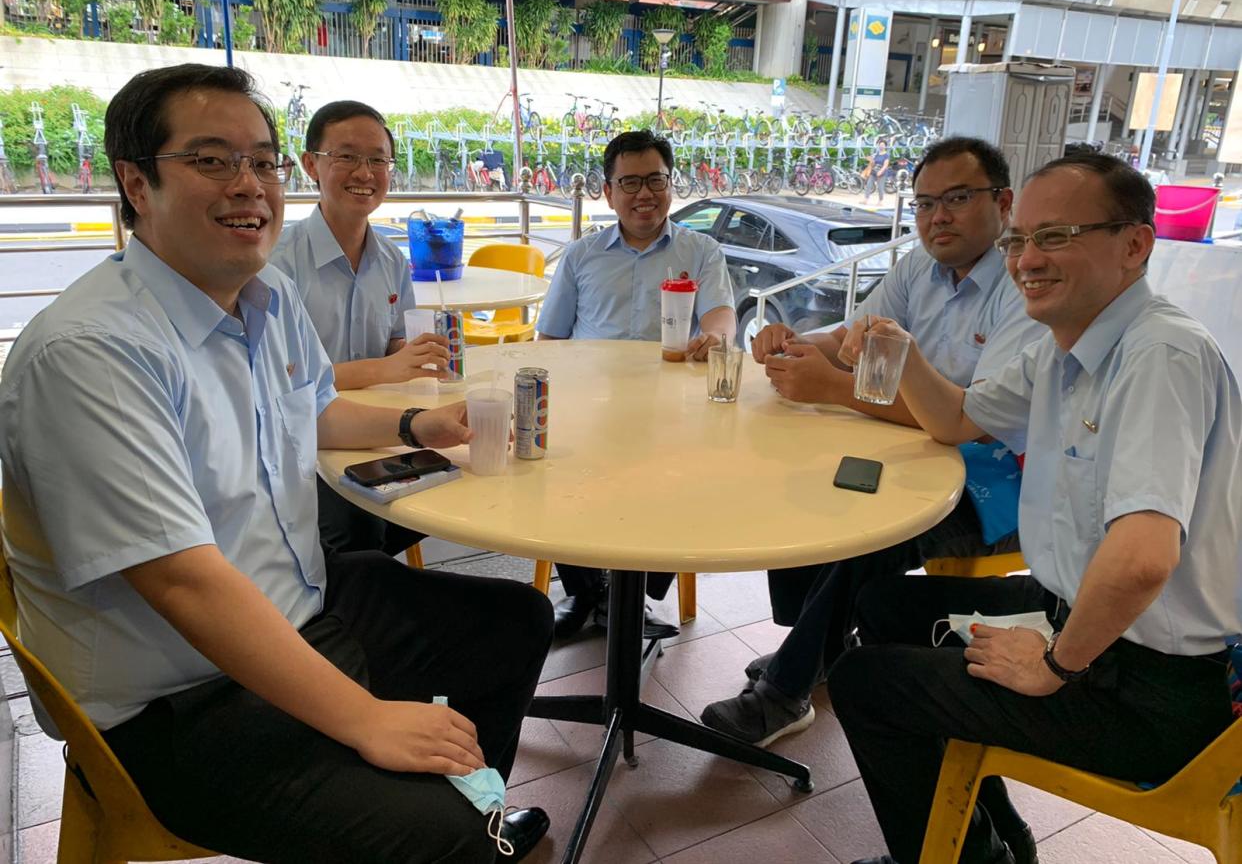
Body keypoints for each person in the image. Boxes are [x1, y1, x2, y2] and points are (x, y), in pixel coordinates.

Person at [0, 64, 553, 864]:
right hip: (178, 701)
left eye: (262, 162)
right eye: (212, 160)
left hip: (300, 611)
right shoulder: (92, 353)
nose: (249, 185)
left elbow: (314, 409)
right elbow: (183, 579)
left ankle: (474, 807)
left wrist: (417, 420)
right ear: (136, 181)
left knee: (514, 622)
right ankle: (463, 831)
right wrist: (366, 719)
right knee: (441, 840)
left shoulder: (264, 297)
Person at [828, 152, 1241, 864]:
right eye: (1021, 240)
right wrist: (903, 350)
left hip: (1154, 689)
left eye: (1056, 237)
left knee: (865, 684)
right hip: (1080, 621)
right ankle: (988, 836)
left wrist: (1057, 663)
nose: (1026, 260)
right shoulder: (1066, 346)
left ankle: (964, 858)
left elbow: (1144, 558)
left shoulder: (1160, 355)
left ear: (1135, 244)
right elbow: (957, 418)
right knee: (885, 603)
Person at [701, 138, 1042, 765]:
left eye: (958, 199)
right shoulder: (919, 268)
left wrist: (834, 388)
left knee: (872, 530)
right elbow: (853, 337)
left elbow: (971, 422)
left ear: (1004, 203)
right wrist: (798, 341)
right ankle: (818, 644)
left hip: (997, 480)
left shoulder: (1022, 290)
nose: (938, 216)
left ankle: (786, 690)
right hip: (908, 446)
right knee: (800, 472)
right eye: (925, 203)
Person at [536, 129, 737, 641]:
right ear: (608, 191)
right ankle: (586, 589)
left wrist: (713, 339)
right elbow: (550, 338)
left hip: (669, 408)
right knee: (550, 467)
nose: (644, 194)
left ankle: (635, 589)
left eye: (656, 180)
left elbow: (719, 319)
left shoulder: (702, 251)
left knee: (683, 472)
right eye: (629, 182)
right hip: (589, 404)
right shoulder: (581, 256)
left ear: (672, 185)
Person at [270, 100, 449, 560]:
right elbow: (287, 384)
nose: (364, 172)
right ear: (311, 164)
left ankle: (367, 591)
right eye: (346, 156)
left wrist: (419, 352)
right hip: (302, 447)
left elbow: (395, 346)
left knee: (455, 480)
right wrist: (390, 367)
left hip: (373, 433)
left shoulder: (390, 260)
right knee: (358, 522)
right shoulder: (277, 263)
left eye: (377, 160)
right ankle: (347, 607)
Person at [861, 137, 890, 206]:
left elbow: (885, 165)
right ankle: (865, 199)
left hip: (882, 173)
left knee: (880, 187)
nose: (881, 146)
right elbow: (873, 163)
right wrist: (871, 160)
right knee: (868, 185)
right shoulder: (876, 154)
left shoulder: (886, 155)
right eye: (880, 145)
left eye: (883, 145)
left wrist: (880, 171)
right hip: (874, 172)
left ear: (885, 146)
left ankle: (880, 201)